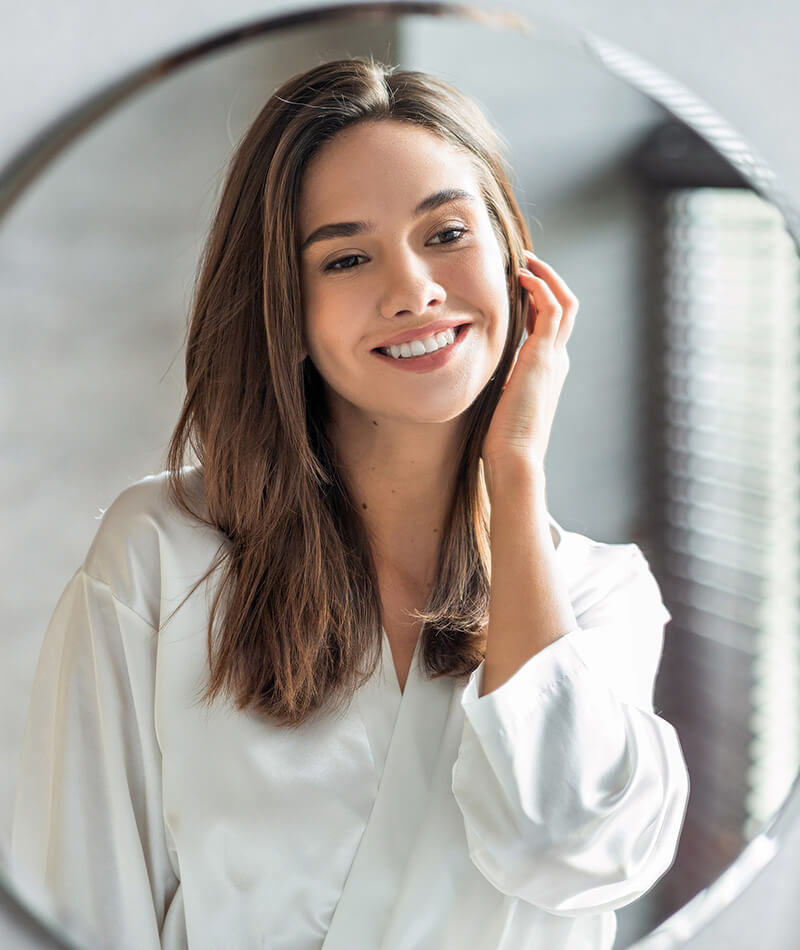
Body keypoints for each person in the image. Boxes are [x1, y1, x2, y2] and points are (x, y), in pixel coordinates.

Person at [11, 58, 689, 950]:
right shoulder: (161, 556)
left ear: (514, 260)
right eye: (347, 257)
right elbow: (80, 903)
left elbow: (564, 847)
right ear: (285, 309)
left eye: (447, 232)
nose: (413, 291)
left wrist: (516, 473)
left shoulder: (600, 596)